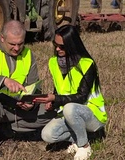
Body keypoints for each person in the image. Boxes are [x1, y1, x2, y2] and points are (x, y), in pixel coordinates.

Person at [0, 20, 56, 156]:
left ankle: (4, 129)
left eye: (20, 44)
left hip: (13, 105)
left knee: (51, 111)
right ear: (2, 38)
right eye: (12, 44)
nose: (17, 48)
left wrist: (31, 101)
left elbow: (34, 86)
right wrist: (3, 81)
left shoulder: (28, 55)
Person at [34, 24, 108, 160]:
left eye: (62, 46)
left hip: (93, 114)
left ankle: (84, 146)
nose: (57, 49)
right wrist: (53, 102)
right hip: (70, 112)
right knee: (47, 135)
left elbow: (81, 97)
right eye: (55, 44)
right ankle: (81, 137)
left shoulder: (87, 64)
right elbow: (60, 87)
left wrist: (55, 98)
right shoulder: (53, 62)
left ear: (71, 45)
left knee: (69, 108)